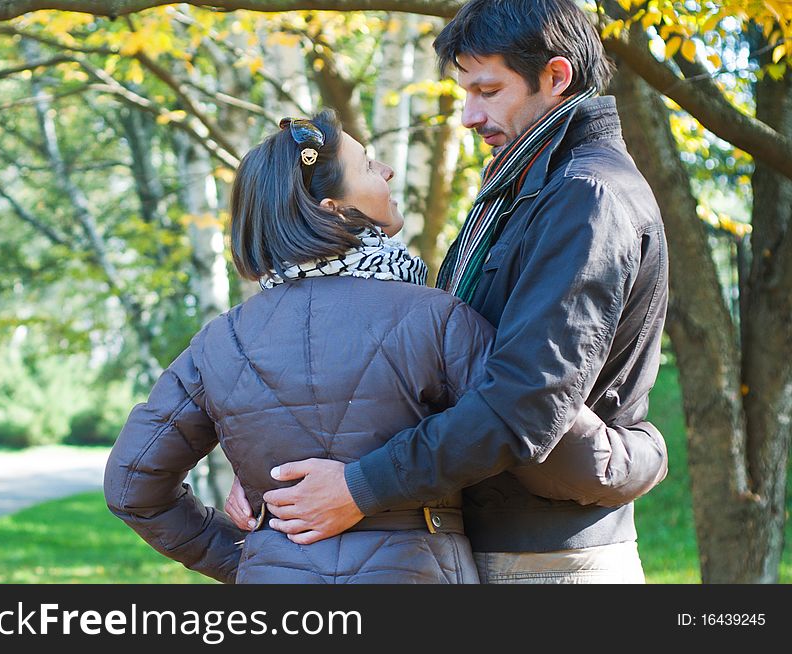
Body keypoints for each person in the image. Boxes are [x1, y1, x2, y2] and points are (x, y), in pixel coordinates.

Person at [104, 108, 662, 584]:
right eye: (369, 165)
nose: (388, 169)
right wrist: (644, 454)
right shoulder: (437, 319)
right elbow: (539, 443)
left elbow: (133, 486)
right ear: (331, 210)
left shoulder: (217, 343)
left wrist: (252, 556)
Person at [226, 0, 670, 584]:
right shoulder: (519, 186)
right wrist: (276, 450)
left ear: (556, 78)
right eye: (465, 92)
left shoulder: (585, 198)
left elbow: (526, 403)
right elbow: (432, 378)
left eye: (487, 91)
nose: (468, 115)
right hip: (484, 545)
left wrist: (362, 486)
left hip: (546, 562)